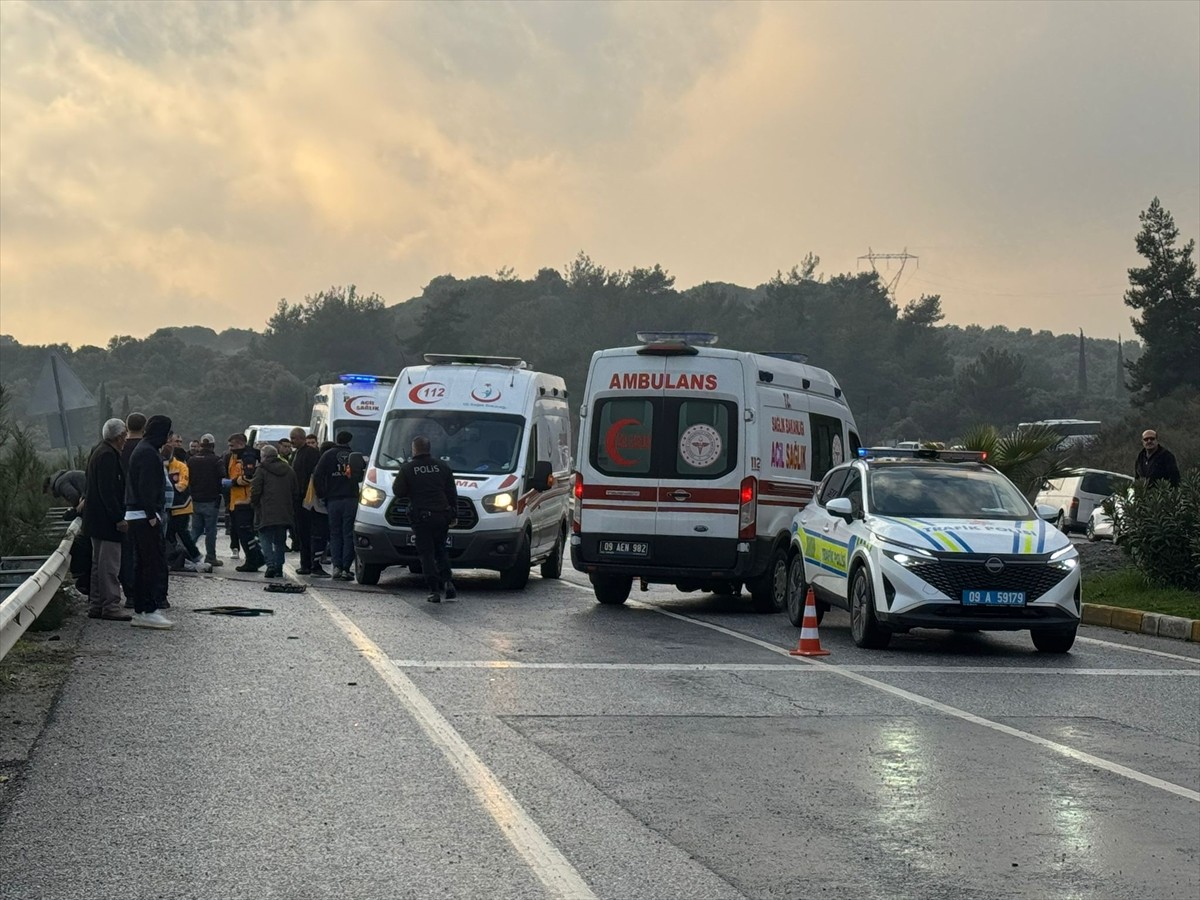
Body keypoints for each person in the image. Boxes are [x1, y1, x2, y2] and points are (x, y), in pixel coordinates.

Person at [394, 435, 458, 603]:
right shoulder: (442, 466)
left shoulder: (408, 469)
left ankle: (434, 590)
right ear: (429, 449)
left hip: (422, 517)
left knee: (426, 554)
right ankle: (448, 582)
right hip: (442, 515)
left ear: (414, 449)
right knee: (441, 550)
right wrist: (454, 514)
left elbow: (398, 492)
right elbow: (452, 492)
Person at [125, 415, 174, 629]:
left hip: (138, 514)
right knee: (150, 563)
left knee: (143, 563)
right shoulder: (148, 454)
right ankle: (148, 609)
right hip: (144, 516)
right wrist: (152, 514)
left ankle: (143, 608)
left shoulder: (144, 450)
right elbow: (146, 487)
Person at [82, 418, 132, 621]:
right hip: (106, 521)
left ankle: (96, 604)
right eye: (124, 436)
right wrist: (119, 518)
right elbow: (109, 490)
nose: (126, 440)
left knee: (97, 565)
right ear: (120, 436)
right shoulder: (108, 457)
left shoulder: (98, 452)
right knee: (109, 566)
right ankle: (111, 605)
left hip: (94, 519)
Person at [312, 430, 365, 581]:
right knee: (348, 534)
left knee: (335, 534)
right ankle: (346, 568)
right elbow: (361, 476)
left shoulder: (327, 455)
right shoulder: (355, 456)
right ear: (349, 441)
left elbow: (318, 475)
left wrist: (322, 494)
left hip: (333, 499)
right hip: (351, 498)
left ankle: (336, 566)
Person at [250, 444, 298, 578]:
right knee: (280, 541)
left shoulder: (261, 469)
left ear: (264, 456)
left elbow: (255, 489)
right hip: (284, 511)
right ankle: (279, 567)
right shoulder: (289, 469)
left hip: (266, 510)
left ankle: (270, 565)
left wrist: (254, 503)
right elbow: (295, 491)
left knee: (264, 538)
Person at [224, 433, 265, 572]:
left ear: (241, 444)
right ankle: (254, 557)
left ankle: (254, 558)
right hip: (236, 500)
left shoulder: (248, 456)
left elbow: (250, 477)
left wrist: (233, 482)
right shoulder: (234, 457)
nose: (230, 449)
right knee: (241, 532)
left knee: (245, 531)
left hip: (245, 500)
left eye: (232, 446)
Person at [187, 433, 224, 567]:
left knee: (195, 530)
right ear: (213, 445)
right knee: (210, 530)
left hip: (195, 500)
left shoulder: (192, 460)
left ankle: (187, 553)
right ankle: (211, 556)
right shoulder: (216, 460)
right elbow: (222, 477)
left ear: (201, 445)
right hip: (211, 500)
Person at [289, 427, 321, 575]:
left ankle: (310, 563)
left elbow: (313, 476)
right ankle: (306, 563)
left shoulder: (311, 453)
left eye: (294, 438)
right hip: (299, 497)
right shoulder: (296, 454)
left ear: (302, 438)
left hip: (307, 499)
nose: (291, 441)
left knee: (308, 532)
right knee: (302, 533)